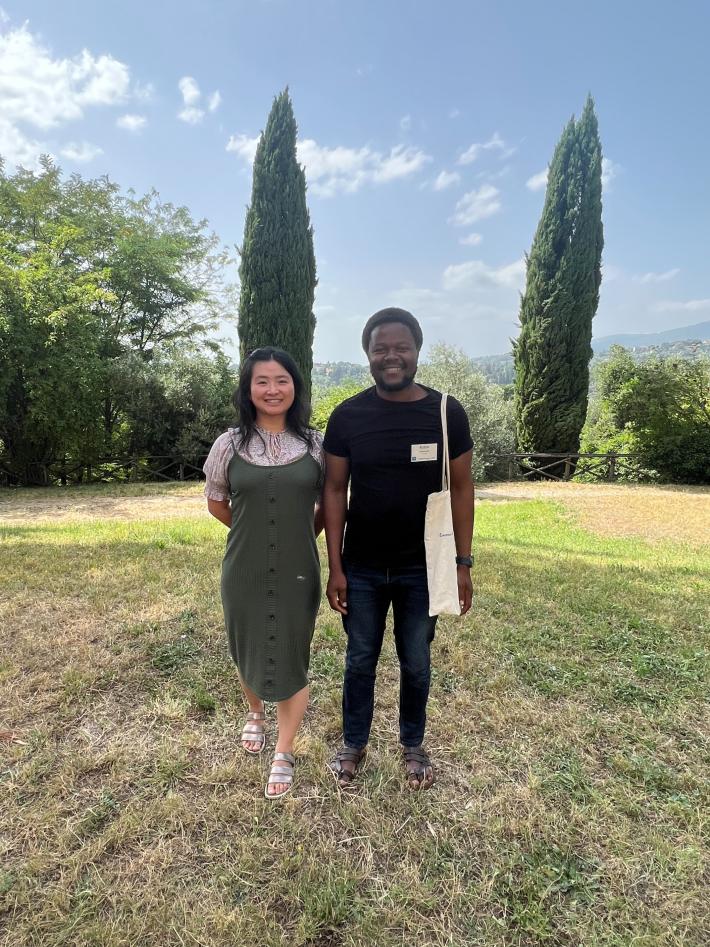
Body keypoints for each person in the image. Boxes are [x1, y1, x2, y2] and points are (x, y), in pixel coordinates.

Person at [323, 308, 474, 790]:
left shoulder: (447, 413)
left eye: (401, 347)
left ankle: (413, 745)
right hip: (362, 566)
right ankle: (353, 743)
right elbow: (333, 490)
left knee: (417, 661)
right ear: (368, 354)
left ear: (416, 351)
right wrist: (336, 567)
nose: (391, 356)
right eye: (380, 348)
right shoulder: (347, 415)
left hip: (423, 568)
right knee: (359, 659)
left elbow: (465, 489)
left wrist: (463, 563)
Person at [203, 347, 324, 799]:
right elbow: (216, 500)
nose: (272, 389)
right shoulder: (229, 444)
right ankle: (255, 712)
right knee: (246, 640)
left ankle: (285, 750)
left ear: (295, 387)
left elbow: (330, 506)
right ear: (248, 389)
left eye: (281, 380)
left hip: (299, 568)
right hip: (243, 567)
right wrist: (253, 533)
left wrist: (297, 534)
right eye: (262, 381)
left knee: (294, 648)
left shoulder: (316, 444)